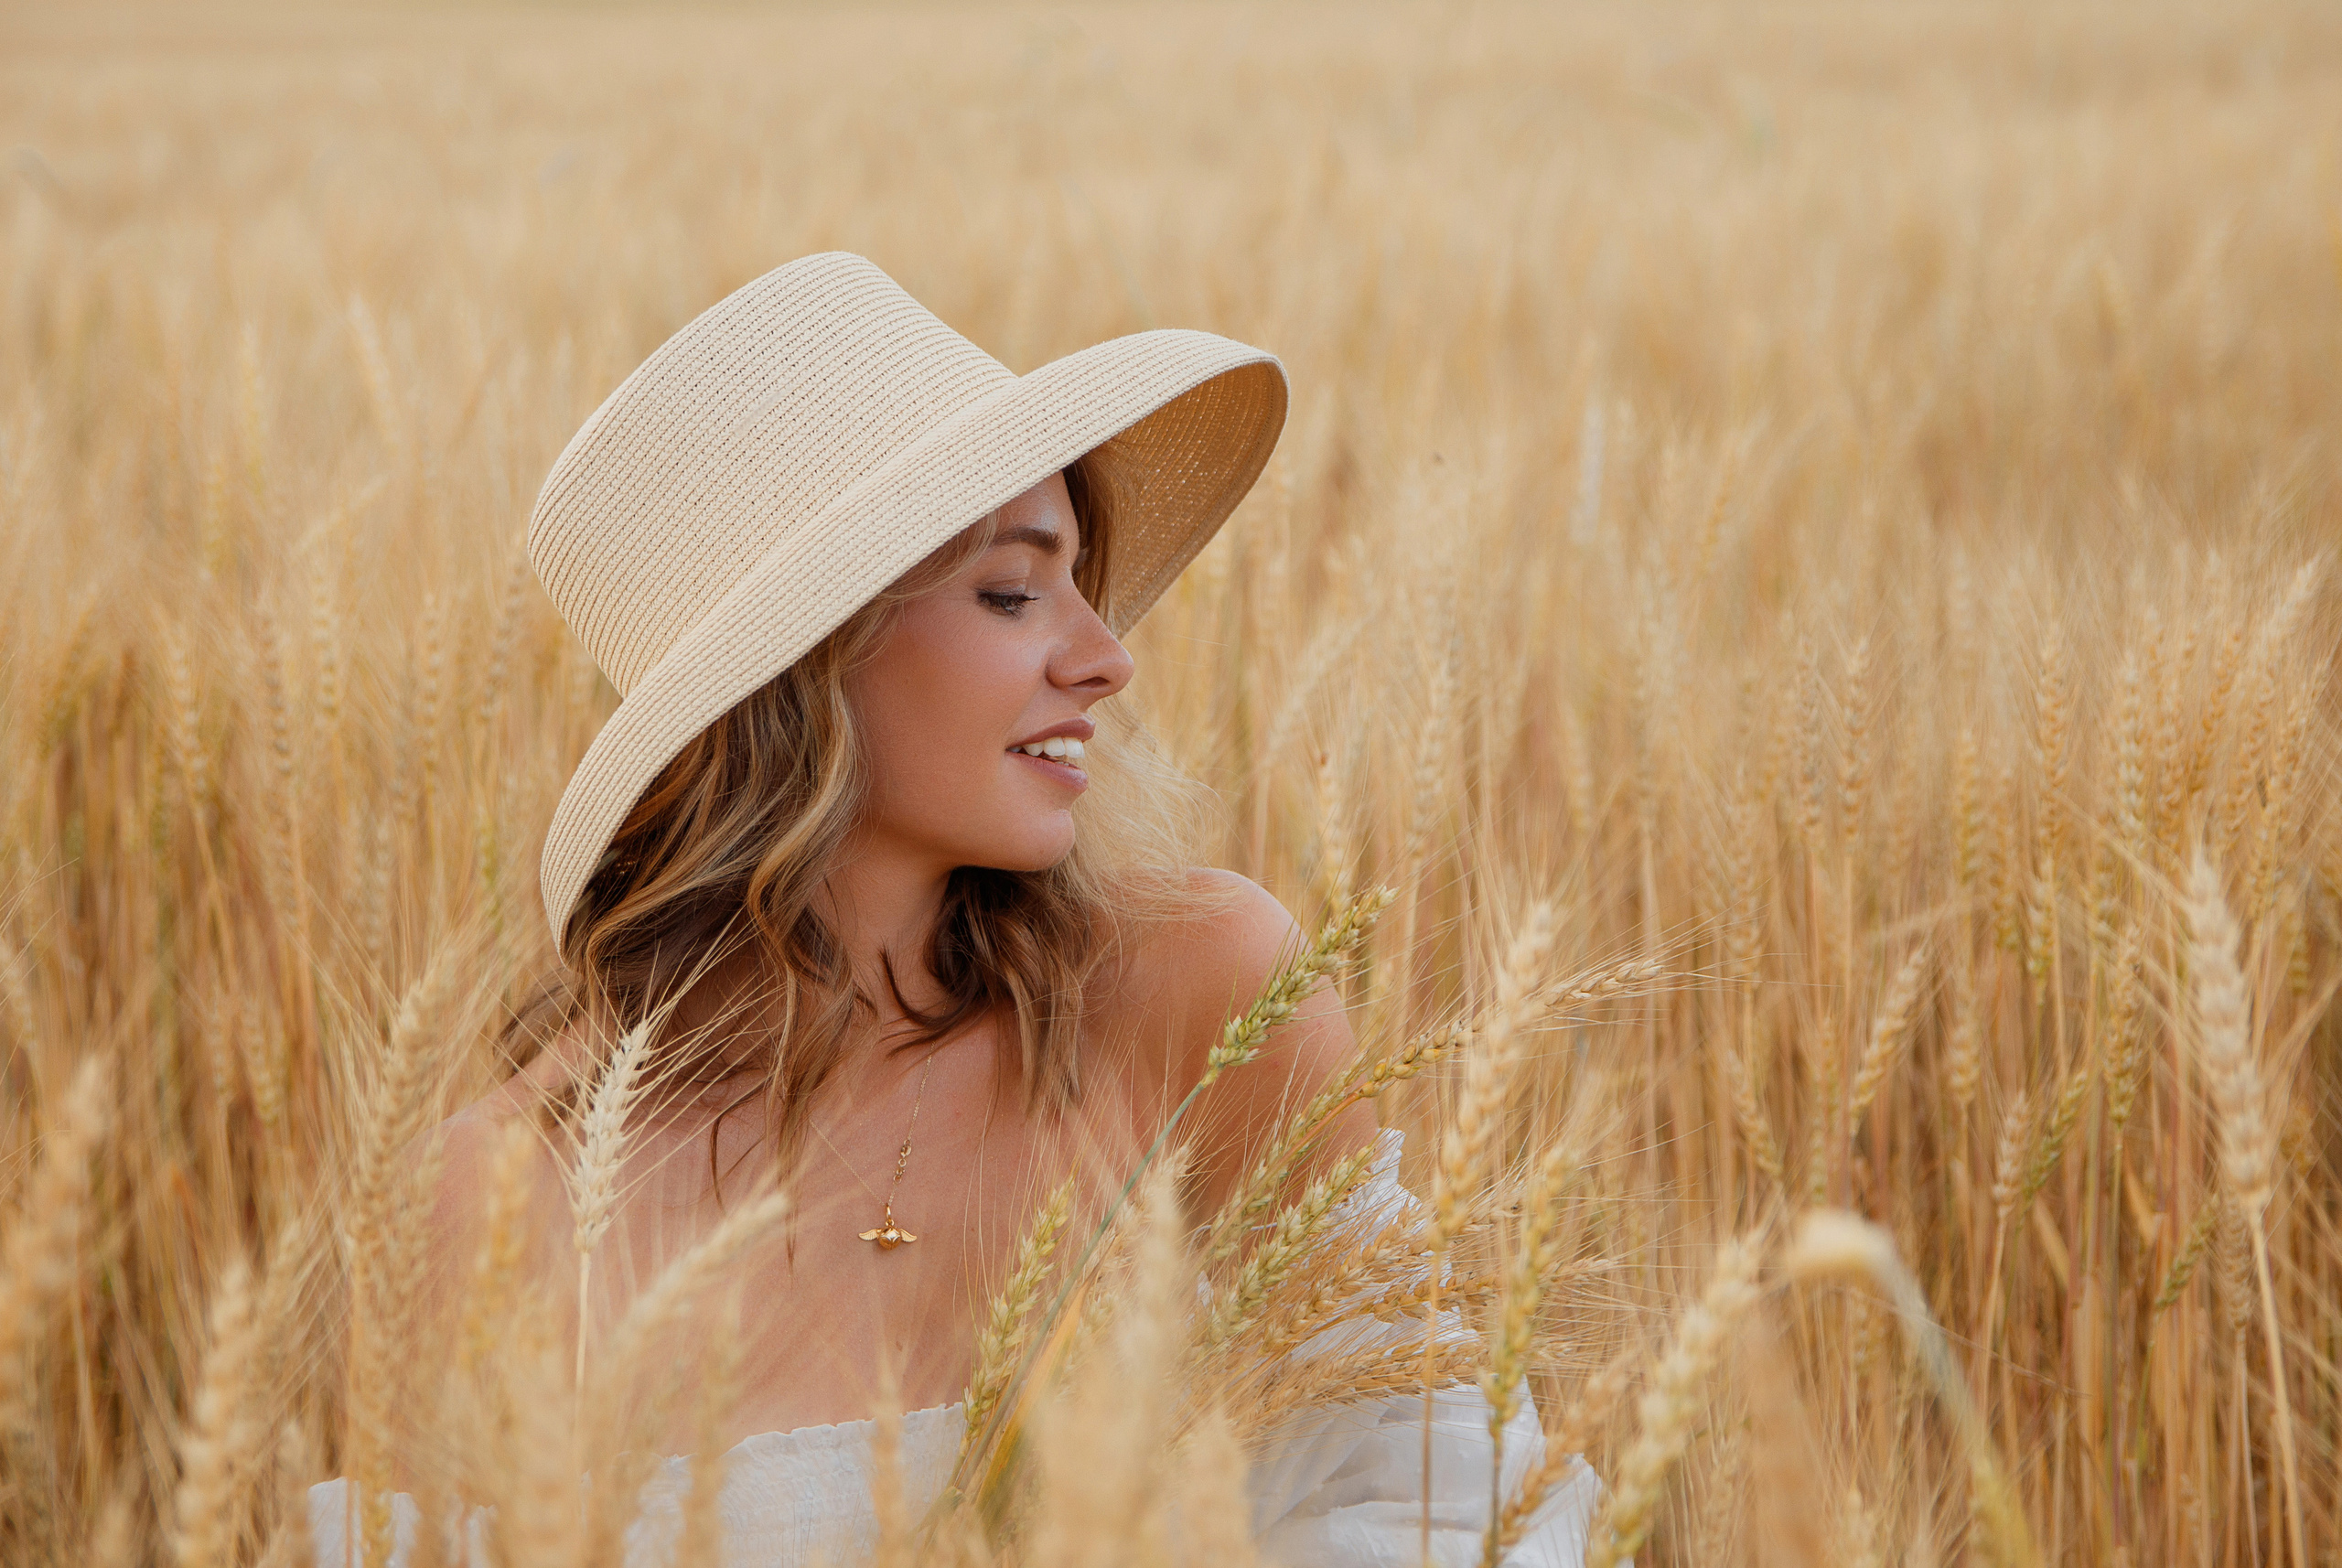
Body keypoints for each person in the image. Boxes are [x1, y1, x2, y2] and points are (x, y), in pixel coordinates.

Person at [308, 251, 1600, 1566]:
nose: (1106, 656)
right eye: (1011, 589)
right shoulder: (490, 1198)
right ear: (806, 665)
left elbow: (1457, 1512)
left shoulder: (1206, 1002)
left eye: (1080, 580)